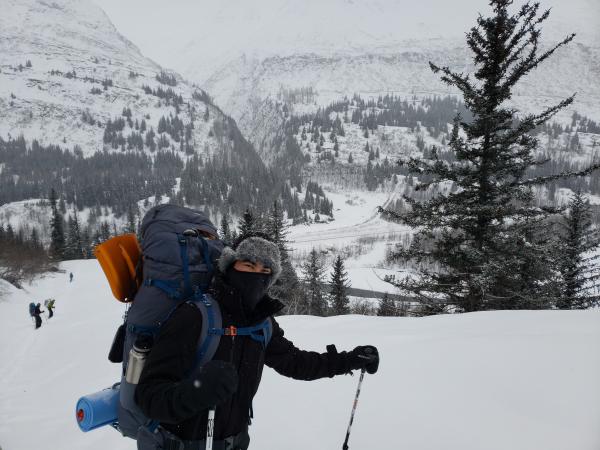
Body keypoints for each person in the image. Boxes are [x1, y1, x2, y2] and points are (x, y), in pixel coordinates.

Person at [135, 234, 379, 450]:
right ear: (230, 266)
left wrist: (350, 360)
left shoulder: (261, 324)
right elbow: (148, 397)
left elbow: (297, 363)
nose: (256, 276)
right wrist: (195, 391)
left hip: (238, 442)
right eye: (249, 265)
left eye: (264, 271)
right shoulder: (195, 316)